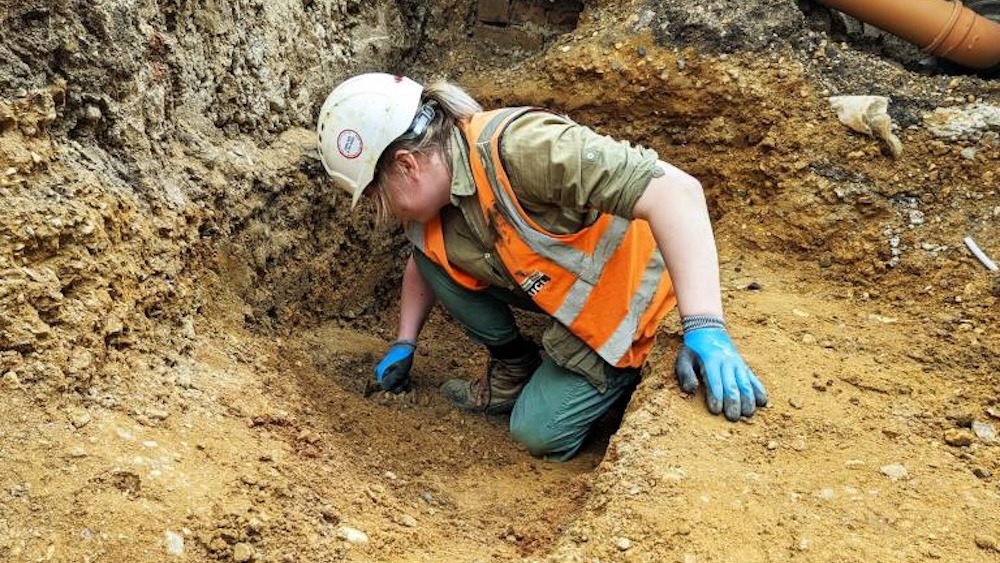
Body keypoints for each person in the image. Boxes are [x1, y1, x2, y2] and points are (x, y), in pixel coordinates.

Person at [315, 73, 768, 461]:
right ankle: (516, 369)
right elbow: (429, 261)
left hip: (635, 305)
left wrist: (704, 324)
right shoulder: (440, 200)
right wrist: (403, 342)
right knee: (430, 257)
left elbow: (677, 192)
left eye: (377, 196)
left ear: (407, 164)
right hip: (575, 306)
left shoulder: (521, 147)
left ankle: (620, 387)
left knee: (535, 433)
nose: (384, 211)